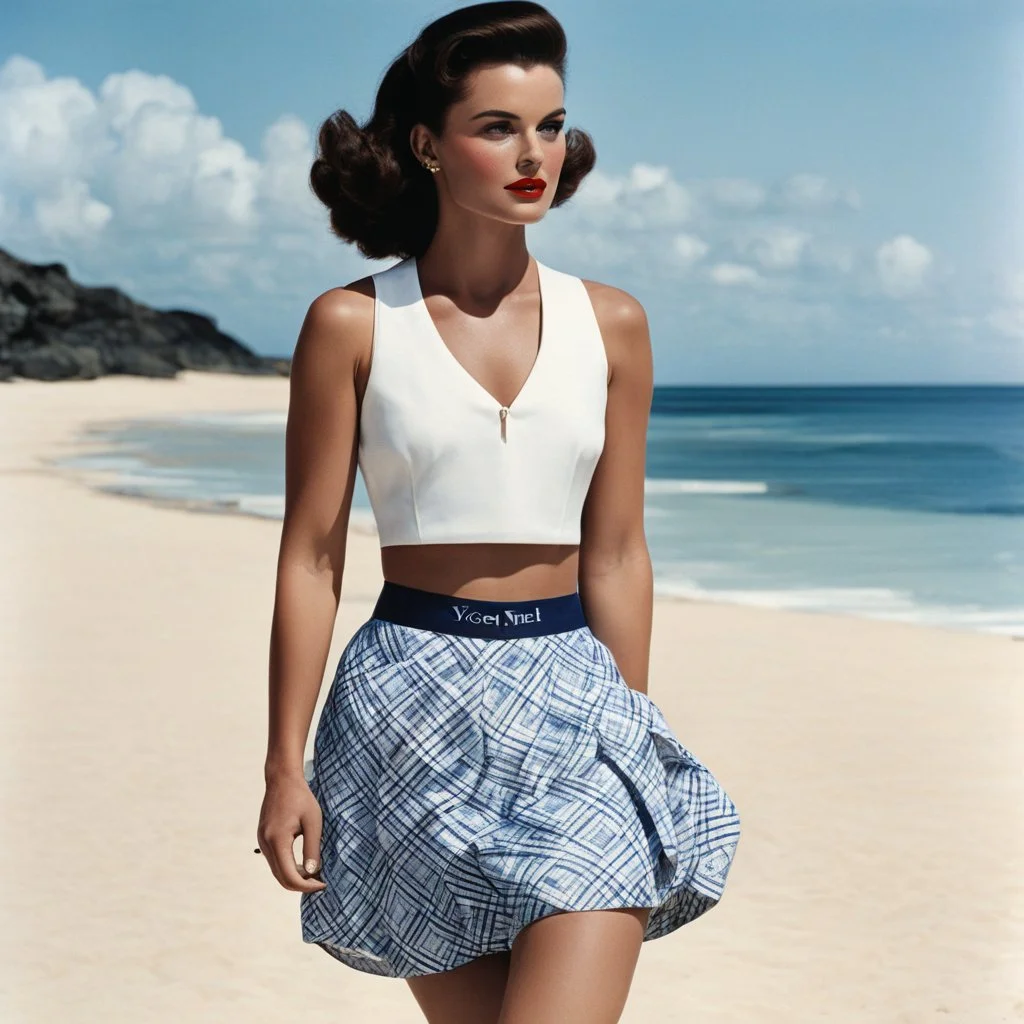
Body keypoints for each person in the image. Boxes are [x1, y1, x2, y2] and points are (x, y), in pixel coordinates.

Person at [256, 3, 741, 1021]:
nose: (535, 155)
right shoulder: (351, 324)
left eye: (551, 126)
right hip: (404, 712)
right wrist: (282, 767)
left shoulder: (612, 323)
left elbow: (617, 553)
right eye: (499, 127)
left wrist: (629, 723)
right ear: (428, 145)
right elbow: (311, 560)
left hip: (574, 698)